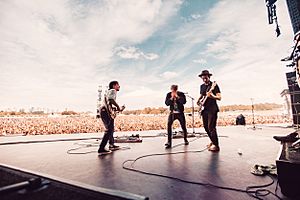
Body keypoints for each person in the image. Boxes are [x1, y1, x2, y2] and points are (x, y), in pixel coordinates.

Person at [98, 81, 125, 155]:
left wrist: (118, 109)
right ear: (114, 85)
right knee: (109, 130)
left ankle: (111, 144)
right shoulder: (113, 91)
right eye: (118, 85)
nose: (119, 86)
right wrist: (118, 107)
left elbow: (110, 103)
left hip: (105, 111)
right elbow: (111, 99)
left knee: (111, 129)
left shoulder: (110, 91)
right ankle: (101, 148)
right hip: (105, 111)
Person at [197, 70, 221, 152]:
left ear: (209, 77)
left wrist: (212, 96)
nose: (204, 79)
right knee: (206, 127)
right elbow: (202, 95)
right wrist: (198, 101)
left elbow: (219, 97)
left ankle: (216, 145)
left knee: (211, 127)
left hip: (212, 109)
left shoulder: (214, 85)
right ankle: (212, 141)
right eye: (203, 78)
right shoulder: (202, 86)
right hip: (204, 109)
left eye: (206, 78)